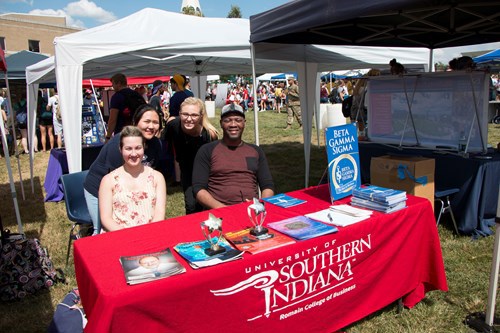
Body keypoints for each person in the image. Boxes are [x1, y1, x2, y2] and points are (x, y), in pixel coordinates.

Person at [84, 104, 163, 234]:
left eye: (155, 122)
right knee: (100, 229)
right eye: (147, 121)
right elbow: (115, 182)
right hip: (99, 187)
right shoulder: (118, 144)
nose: (151, 126)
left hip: (134, 185)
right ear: (136, 122)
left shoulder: (156, 144)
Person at [192, 106, 275, 209]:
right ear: (221, 123)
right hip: (219, 212)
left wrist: (261, 206)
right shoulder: (207, 150)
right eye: (227, 120)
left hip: (252, 210)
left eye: (238, 120)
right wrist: (225, 210)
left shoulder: (255, 151)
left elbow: (267, 186)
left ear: (244, 123)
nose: (233, 124)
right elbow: (199, 189)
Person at [98, 126, 166, 232]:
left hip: (150, 234)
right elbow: (106, 219)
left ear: (144, 147)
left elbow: (159, 215)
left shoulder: (157, 178)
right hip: (119, 236)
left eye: (138, 148)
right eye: (128, 148)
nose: (134, 154)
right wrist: (129, 237)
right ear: (120, 149)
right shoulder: (108, 180)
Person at [163, 97, 218, 214]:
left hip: (205, 171)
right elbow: (162, 142)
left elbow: (215, 160)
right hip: (186, 169)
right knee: (191, 206)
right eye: (185, 114)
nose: (189, 119)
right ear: (179, 114)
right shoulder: (173, 125)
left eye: (194, 115)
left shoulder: (209, 135)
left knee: (206, 205)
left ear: (201, 116)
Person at [107, 73, 145, 139]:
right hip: (137, 131)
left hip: (122, 133)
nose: (112, 86)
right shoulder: (136, 94)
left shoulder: (117, 97)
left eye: (113, 84)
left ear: (118, 83)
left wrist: (108, 137)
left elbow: (113, 119)